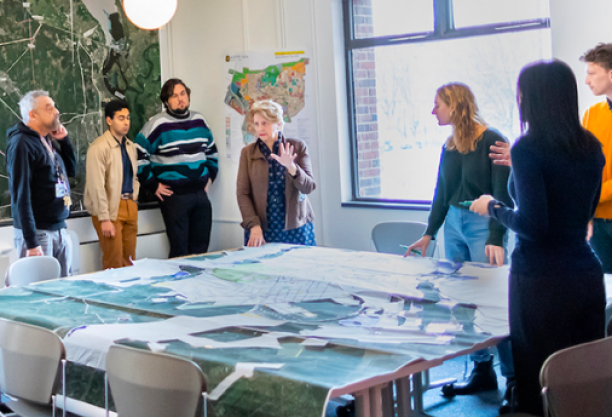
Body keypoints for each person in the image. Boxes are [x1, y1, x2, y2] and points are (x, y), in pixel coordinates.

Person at [471, 60, 606, 415]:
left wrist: (493, 207)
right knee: (585, 382)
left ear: (529, 99)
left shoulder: (528, 148)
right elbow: (584, 208)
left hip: (542, 281)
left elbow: (533, 225)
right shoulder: (590, 146)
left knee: (539, 384)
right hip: (586, 273)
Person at [405, 83, 514, 403]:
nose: (433, 111)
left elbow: (501, 193)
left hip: (483, 223)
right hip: (453, 222)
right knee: (464, 302)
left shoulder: (492, 138)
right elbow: (441, 191)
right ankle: (482, 371)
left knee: (495, 302)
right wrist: (430, 233)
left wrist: (497, 236)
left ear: (455, 106)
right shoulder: (450, 145)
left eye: (437, 104)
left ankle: (514, 379)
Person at [135, 78, 219, 258]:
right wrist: (152, 184)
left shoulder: (200, 120)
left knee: (201, 251)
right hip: (174, 197)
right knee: (180, 251)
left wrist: (210, 177)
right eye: (174, 96)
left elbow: (212, 152)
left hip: (200, 194)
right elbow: (138, 154)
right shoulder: (157, 124)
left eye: (183, 94)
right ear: (166, 102)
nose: (180, 99)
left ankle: (197, 285)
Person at [6, 90, 76, 277]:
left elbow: (70, 172)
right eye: (49, 107)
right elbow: (21, 195)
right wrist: (31, 242)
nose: (56, 111)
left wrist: (65, 142)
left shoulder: (46, 139)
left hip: (59, 228)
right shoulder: (21, 143)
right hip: (38, 232)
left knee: (64, 291)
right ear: (32, 115)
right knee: (40, 294)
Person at [237, 100, 316, 247]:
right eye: (257, 123)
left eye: (265, 123)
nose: (260, 128)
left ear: (279, 124)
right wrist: (253, 225)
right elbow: (243, 193)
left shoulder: (298, 147)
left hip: (295, 228)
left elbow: (309, 187)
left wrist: (292, 167)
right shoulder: (247, 153)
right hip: (261, 230)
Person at [84, 100, 139, 269]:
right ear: (109, 120)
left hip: (129, 204)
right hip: (110, 208)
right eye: (121, 118)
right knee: (113, 262)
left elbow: (134, 176)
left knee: (130, 261)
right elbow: (96, 186)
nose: (126, 122)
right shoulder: (99, 147)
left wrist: (134, 198)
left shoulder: (130, 146)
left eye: (128, 118)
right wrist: (104, 218)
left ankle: (129, 294)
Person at [580, 43, 612, 273]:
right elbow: (582, 167)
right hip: (598, 225)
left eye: (592, 73)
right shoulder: (592, 114)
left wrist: (591, 196)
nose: (587, 81)